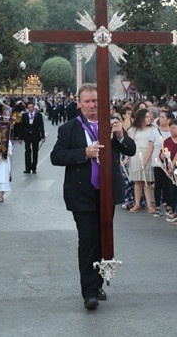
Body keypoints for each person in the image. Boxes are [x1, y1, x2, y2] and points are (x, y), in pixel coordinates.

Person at [50, 83, 136, 310]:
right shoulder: (69, 129)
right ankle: (89, 292)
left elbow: (131, 149)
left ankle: (98, 284)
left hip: (107, 193)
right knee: (88, 241)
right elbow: (56, 156)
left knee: (103, 238)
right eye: (87, 101)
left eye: (96, 101)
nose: (92, 105)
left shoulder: (112, 124)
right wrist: (83, 153)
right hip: (82, 193)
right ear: (79, 103)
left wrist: (120, 135)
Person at [127, 108, 156, 213]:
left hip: (147, 154)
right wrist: (126, 158)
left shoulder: (153, 129)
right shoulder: (133, 130)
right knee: (137, 181)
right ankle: (137, 204)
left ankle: (149, 205)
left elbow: (151, 145)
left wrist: (147, 159)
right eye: (147, 117)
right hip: (135, 156)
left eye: (150, 117)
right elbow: (129, 145)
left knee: (147, 181)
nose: (149, 119)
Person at [20, 101, 45, 174]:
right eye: (29, 108)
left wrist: (42, 136)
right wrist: (20, 137)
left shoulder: (38, 115)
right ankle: (27, 168)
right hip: (27, 135)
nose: (30, 109)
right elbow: (22, 126)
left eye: (31, 107)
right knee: (27, 150)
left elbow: (41, 126)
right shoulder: (24, 115)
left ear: (33, 107)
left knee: (35, 151)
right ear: (27, 108)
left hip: (35, 135)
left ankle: (34, 167)